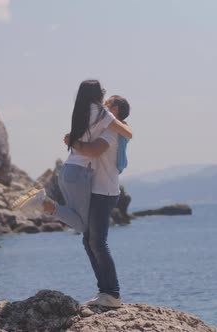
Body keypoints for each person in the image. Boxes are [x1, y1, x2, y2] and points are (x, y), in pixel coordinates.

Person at [11, 80, 132, 234]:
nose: (104, 96)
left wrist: (73, 142)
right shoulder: (102, 113)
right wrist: (125, 125)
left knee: (78, 220)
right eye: (102, 92)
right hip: (80, 174)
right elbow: (127, 133)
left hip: (68, 170)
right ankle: (42, 202)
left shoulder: (81, 110)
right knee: (83, 226)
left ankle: (44, 203)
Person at [66, 95, 131, 307]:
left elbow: (93, 151)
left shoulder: (112, 131)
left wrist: (72, 141)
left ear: (117, 112)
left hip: (105, 192)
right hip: (96, 191)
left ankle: (112, 293)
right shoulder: (105, 128)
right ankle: (105, 291)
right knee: (89, 240)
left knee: (97, 242)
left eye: (110, 103)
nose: (104, 105)